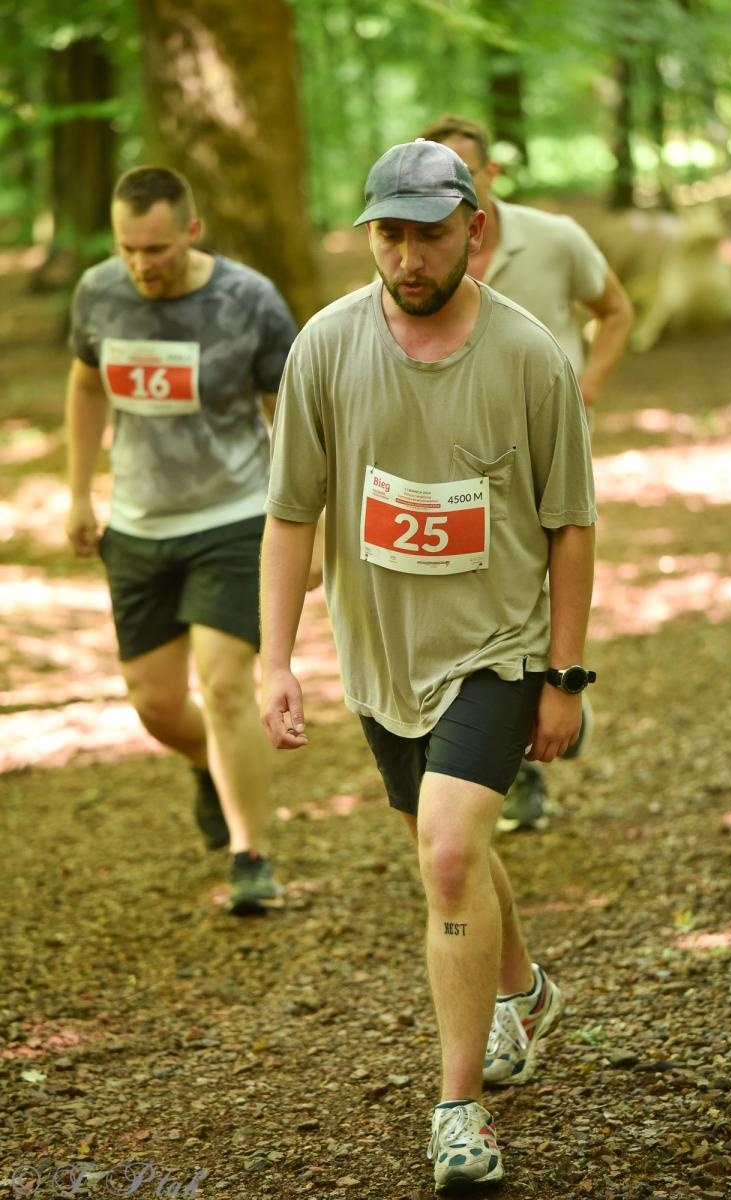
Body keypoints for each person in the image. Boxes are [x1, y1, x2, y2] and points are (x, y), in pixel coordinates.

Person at [260, 140, 596, 1189]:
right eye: (388, 234)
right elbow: (290, 514)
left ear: (474, 232)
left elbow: (571, 525)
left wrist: (565, 675)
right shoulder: (325, 346)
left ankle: (460, 1111)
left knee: (447, 857)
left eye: (428, 233)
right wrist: (277, 659)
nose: (407, 257)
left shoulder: (531, 356)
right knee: (443, 841)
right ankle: (525, 988)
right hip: (380, 653)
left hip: (492, 648)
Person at [65, 165, 296, 916]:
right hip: (136, 524)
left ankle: (250, 853)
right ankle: (216, 767)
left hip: (232, 517)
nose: (141, 265)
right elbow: (86, 382)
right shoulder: (98, 291)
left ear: (190, 231)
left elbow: (290, 408)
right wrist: (77, 492)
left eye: (156, 249)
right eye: (129, 248)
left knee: (226, 685)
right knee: (155, 705)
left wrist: (305, 520)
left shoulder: (247, 300)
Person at [419, 113, 632, 832]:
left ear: (490, 177)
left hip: (552, 455)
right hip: (461, 465)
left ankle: (556, 689)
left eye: (464, 172)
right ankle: (517, 757)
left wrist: (588, 384)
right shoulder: (420, 252)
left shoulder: (555, 238)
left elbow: (615, 311)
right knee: (492, 594)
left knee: (544, 579)